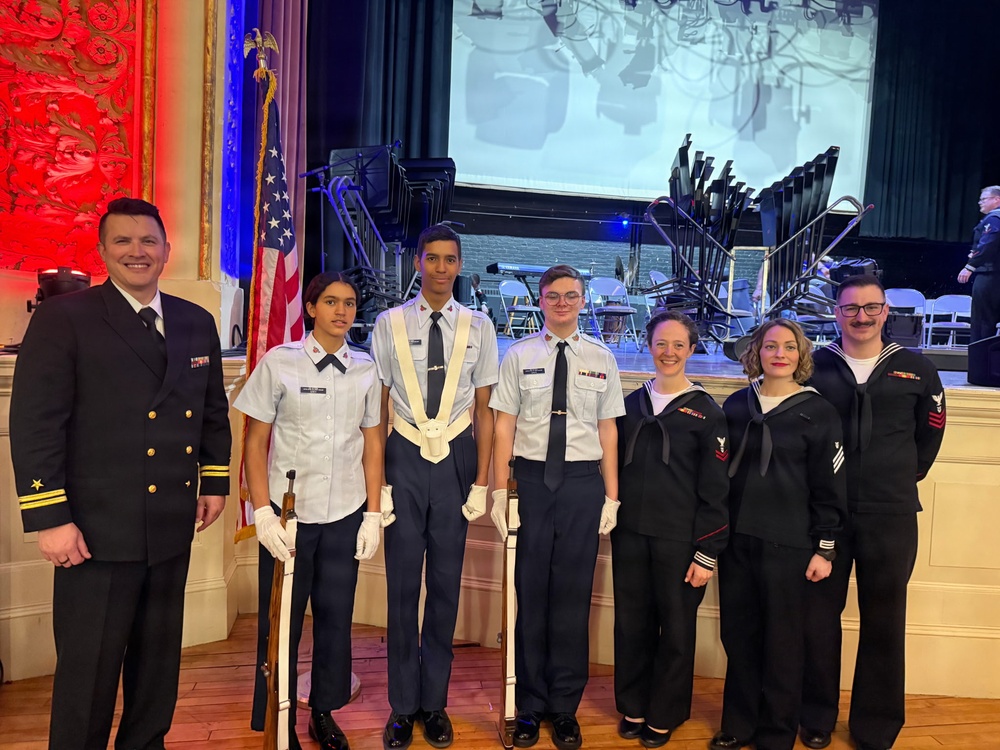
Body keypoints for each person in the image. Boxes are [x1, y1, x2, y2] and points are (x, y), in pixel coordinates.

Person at [9, 197, 232, 750]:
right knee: (88, 675)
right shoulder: (66, 318)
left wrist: (215, 482)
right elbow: (36, 425)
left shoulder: (194, 320)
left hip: (169, 525)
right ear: (104, 250)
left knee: (157, 669)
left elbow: (211, 411)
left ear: (166, 249)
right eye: (124, 242)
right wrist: (50, 519)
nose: (138, 251)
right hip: (96, 533)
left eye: (148, 241)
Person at [235, 272, 384, 750]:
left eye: (350, 303)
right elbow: (255, 442)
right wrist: (261, 510)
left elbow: (373, 444)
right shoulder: (280, 364)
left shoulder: (366, 369)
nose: (341, 311)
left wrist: (373, 513)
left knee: (336, 620)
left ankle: (323, 711)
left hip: (344, 512)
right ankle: (279, 718)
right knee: (281, 622)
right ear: (313, 308)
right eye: (331, 302)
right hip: (288, 517)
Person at [799, 275, 946, 750]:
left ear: (886, 312)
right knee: (818, 618)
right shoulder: (813, 367)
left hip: (891, 513)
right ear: (835, 314)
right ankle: (816, 716)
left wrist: (896, 478)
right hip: (824, 516)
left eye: (870, 307)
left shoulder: (916, 369)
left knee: (885, 619)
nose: (860, 316)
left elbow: (930, 436)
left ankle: (876, 725)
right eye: (850, 308)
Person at [371, 224, 498, 750]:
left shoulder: (481, 326)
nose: (441, 268)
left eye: (450, 260)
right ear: (417, 262)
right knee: (402, 586)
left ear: (460, 264)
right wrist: (376, 482)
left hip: (456, 462)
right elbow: (377, 408)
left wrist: (484, 481)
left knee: (445, 585)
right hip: (402, 457)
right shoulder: (388, 323)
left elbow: (487, 410)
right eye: (432, 258)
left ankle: (435, 703)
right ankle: (403, 706)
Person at [490, 264, 626, 750]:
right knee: (530, 591)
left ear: (583, 301)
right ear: (541, 301)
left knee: (571, 597)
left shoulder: (601, 357)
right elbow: (503, 426)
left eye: (571, 295)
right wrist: (499, 490)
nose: (562, 302)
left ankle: (564, 707)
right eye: (553, 295)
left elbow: (608, 429)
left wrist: (612, 494)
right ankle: (528, 704)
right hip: (529, 480)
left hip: (581, 485)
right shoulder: (518, 354)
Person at [712, 320, 846, 750]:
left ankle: (776, 732)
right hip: (737, 543)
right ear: (757, 352)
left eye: (790, 347)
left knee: (784, 643)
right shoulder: (735, 406)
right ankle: (738, 724)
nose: (780, 354)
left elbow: (830, 486)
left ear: (801, 356)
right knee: (739, 636)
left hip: (790, 544)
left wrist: (825, 546)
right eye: (771, 346)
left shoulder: (819, 412)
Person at [612, 311, 730, 748]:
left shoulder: (708, 413)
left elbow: (717, 491)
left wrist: (707, 552)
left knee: (676, 629)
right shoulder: (630, 405)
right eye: (662, 343)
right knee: (632, 624)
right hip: (631, 535)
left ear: (692, 350)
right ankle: (634, 705)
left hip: (681, 541)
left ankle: (665, 712)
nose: (669, 352)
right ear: (648, 344)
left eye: (679, 345)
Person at [957, 185, 1000, 342]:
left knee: (982, 322)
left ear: (997, 199)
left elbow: (989, 243)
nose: (979, 203)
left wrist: (971, 265)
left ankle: (979, 364)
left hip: (990, 276)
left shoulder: (994, 218)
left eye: (983, 199)